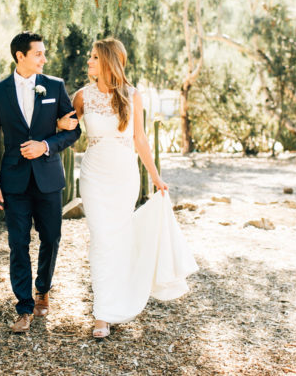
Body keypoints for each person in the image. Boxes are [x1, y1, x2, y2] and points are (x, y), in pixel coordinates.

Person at [58, 37, 198, 338]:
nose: (89, 62)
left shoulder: (132, 95)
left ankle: (114, 301)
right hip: (93, 174)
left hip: (123, 175)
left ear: (108, 61)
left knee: (118, 240)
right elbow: (66, 127)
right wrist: (61, 125)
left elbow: (140, 140)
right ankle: (102, 314)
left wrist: (156, 177)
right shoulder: (82, 96)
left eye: (94, 57)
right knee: (100, 238)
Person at [0, 31, 82, 333]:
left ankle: (43, 289)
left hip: (48, 178)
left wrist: (46, 145)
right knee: (18, 244)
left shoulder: (54, 86)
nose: (44, 58)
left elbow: (74, 130)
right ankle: (24, 307)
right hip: (13, 181)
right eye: (38, 53)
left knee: (50, 238)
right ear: (20, 56)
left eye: (44, 53)